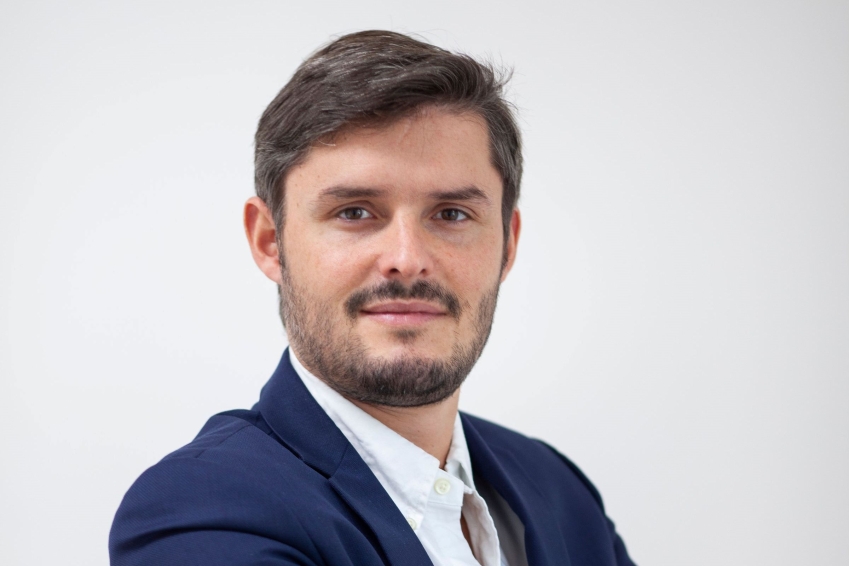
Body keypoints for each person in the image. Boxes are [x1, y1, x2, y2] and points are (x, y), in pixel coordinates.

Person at [109, 30, 636, 566]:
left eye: (452, 214)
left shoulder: (560, 492)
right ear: (270, 241)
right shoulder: (202, 510)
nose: (407, 258)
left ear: (507, 245)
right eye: (355, 212)